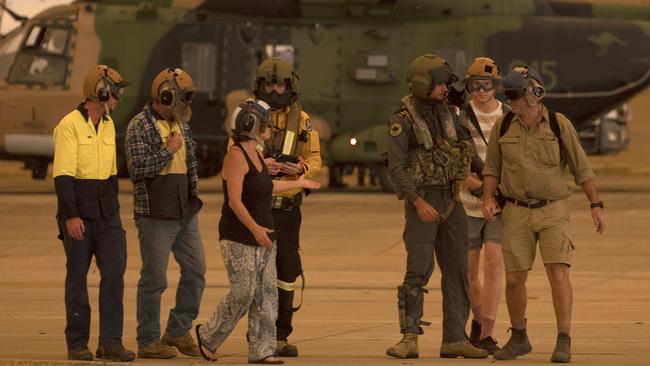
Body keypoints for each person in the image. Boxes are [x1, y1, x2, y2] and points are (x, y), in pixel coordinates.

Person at [482, 66, 606, 363]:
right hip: (515, 212)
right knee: (514, 279)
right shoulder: (503, 126)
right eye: (507, 94)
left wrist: (595, 204)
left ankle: (564, 338)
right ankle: (520, 337)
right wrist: (488, 197)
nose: (509, 100)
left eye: (514, 94)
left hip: (552, 210)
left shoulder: (558, 124)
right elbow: (492, 169)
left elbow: (581, 167)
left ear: (534, 94)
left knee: (558, 273)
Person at [195, 99, 320, 364]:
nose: (270, 128)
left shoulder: (258, 154)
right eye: (265, 124)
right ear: (251, 125)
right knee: (243, 292)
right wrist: (254, 230)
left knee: (266, 294)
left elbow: (268, 188)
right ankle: (208, 335)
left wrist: (299, 182)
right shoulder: (236, 156)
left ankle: (263, 350)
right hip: (240, 236)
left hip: (265, 234)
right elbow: (235, 201)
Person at [385, 54, 488, 360]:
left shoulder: (450, 115)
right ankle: (409, 338)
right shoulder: (402, 121)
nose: (445, 88)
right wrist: (416, 201)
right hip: (423, 203)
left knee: (457, 271)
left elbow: (467, 153)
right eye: (440, 83)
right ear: (423, 84)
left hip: (452, 201)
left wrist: (488, 179)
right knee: (417, 271)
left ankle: (455, 338)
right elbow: (397, 169)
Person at [53, 65, 135, 362]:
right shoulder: (69, 125)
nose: (118, 97)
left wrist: (112, 211)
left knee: (114, 275)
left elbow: (112, 174)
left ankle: (110, 343)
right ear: (100, 92)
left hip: (107, 213)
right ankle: (77, 343)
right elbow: (62, 177)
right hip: (79, 213)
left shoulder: (110, 124)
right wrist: (71, 216)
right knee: (77, 278)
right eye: (115, 91)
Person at [125, 67, 205, 359]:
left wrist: (193, 198)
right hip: (156, 216)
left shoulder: (181, 124)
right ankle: (147, 341)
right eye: (184, 98)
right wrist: (168, 151)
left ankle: (177, 329)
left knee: (196, 273)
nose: (188, 104)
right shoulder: (139, 125)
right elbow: (137, 170)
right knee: (154, 280)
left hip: (185, 213)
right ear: (166, 95)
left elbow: (191, 164)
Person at [253, 57, 322, 357]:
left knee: (287, 270)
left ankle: (281, 334)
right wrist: (260, 166)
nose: (275, 89)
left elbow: (316, 159)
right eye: (269, 83)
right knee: (257, 274)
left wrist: (303, 169)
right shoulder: (249, 116)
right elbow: (234, 153)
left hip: (289, 209)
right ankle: (259, 334)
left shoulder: (302, 120)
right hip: (259, 208)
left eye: (280, 83)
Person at [458, 57, 507, 354]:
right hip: (466, 203)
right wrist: (471, 183)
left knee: (494, 263)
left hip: (500, 205)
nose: (481, 90)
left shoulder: (508, 117)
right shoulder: (460, 117)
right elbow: (456, 157)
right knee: (468, 270)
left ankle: (487, 331)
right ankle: (477, 320)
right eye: (475, 85)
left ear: (496, 86)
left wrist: (496, 192)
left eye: (487, 84)